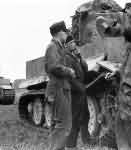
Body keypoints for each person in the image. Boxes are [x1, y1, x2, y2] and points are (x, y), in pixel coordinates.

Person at [44, 21, 75, 150]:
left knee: (59, 123)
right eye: (65, 32)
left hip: (61, 86)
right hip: (58, 87)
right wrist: (69, 71)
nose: (67, 35)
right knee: (64, 123)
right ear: (60, 33)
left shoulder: (59, 46)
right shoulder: (52, 47)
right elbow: (52, 67)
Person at [64, 36, 97, 149]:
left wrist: (80, 56)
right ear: (67, 45)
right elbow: (69, 78)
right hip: (74, 92)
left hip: (80, 91)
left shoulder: (74, 56)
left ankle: (86, 140)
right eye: (72, 42)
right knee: (75, 119)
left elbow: (85, 69)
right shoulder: (66, 58)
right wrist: (80, 88)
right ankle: (71, 144)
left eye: (74, 42)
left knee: (85, 116)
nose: (74, 44)